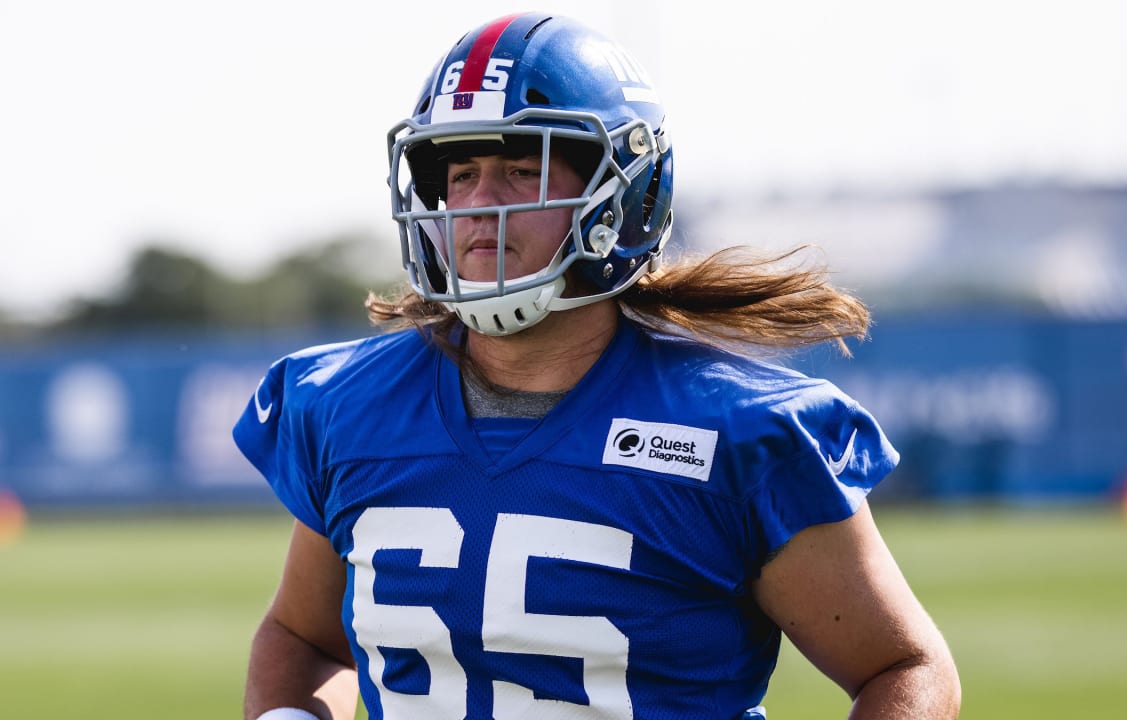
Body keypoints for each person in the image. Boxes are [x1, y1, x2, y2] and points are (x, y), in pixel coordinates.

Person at [234, 12, 960, 720]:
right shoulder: (345, 406)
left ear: (623, 196)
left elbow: (903, 667)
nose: (479, 206)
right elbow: (305, 639)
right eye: (461, 172)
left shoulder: (737, 431)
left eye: (523, 169)